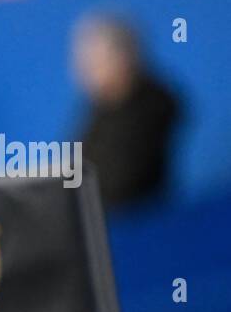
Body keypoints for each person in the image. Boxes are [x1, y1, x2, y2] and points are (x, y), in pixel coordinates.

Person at [71, 14, 182, 209]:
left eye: (94, 62)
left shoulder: (151, 111)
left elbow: (120, 186)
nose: (84, 72)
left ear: (123, 58)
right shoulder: (99, 109)